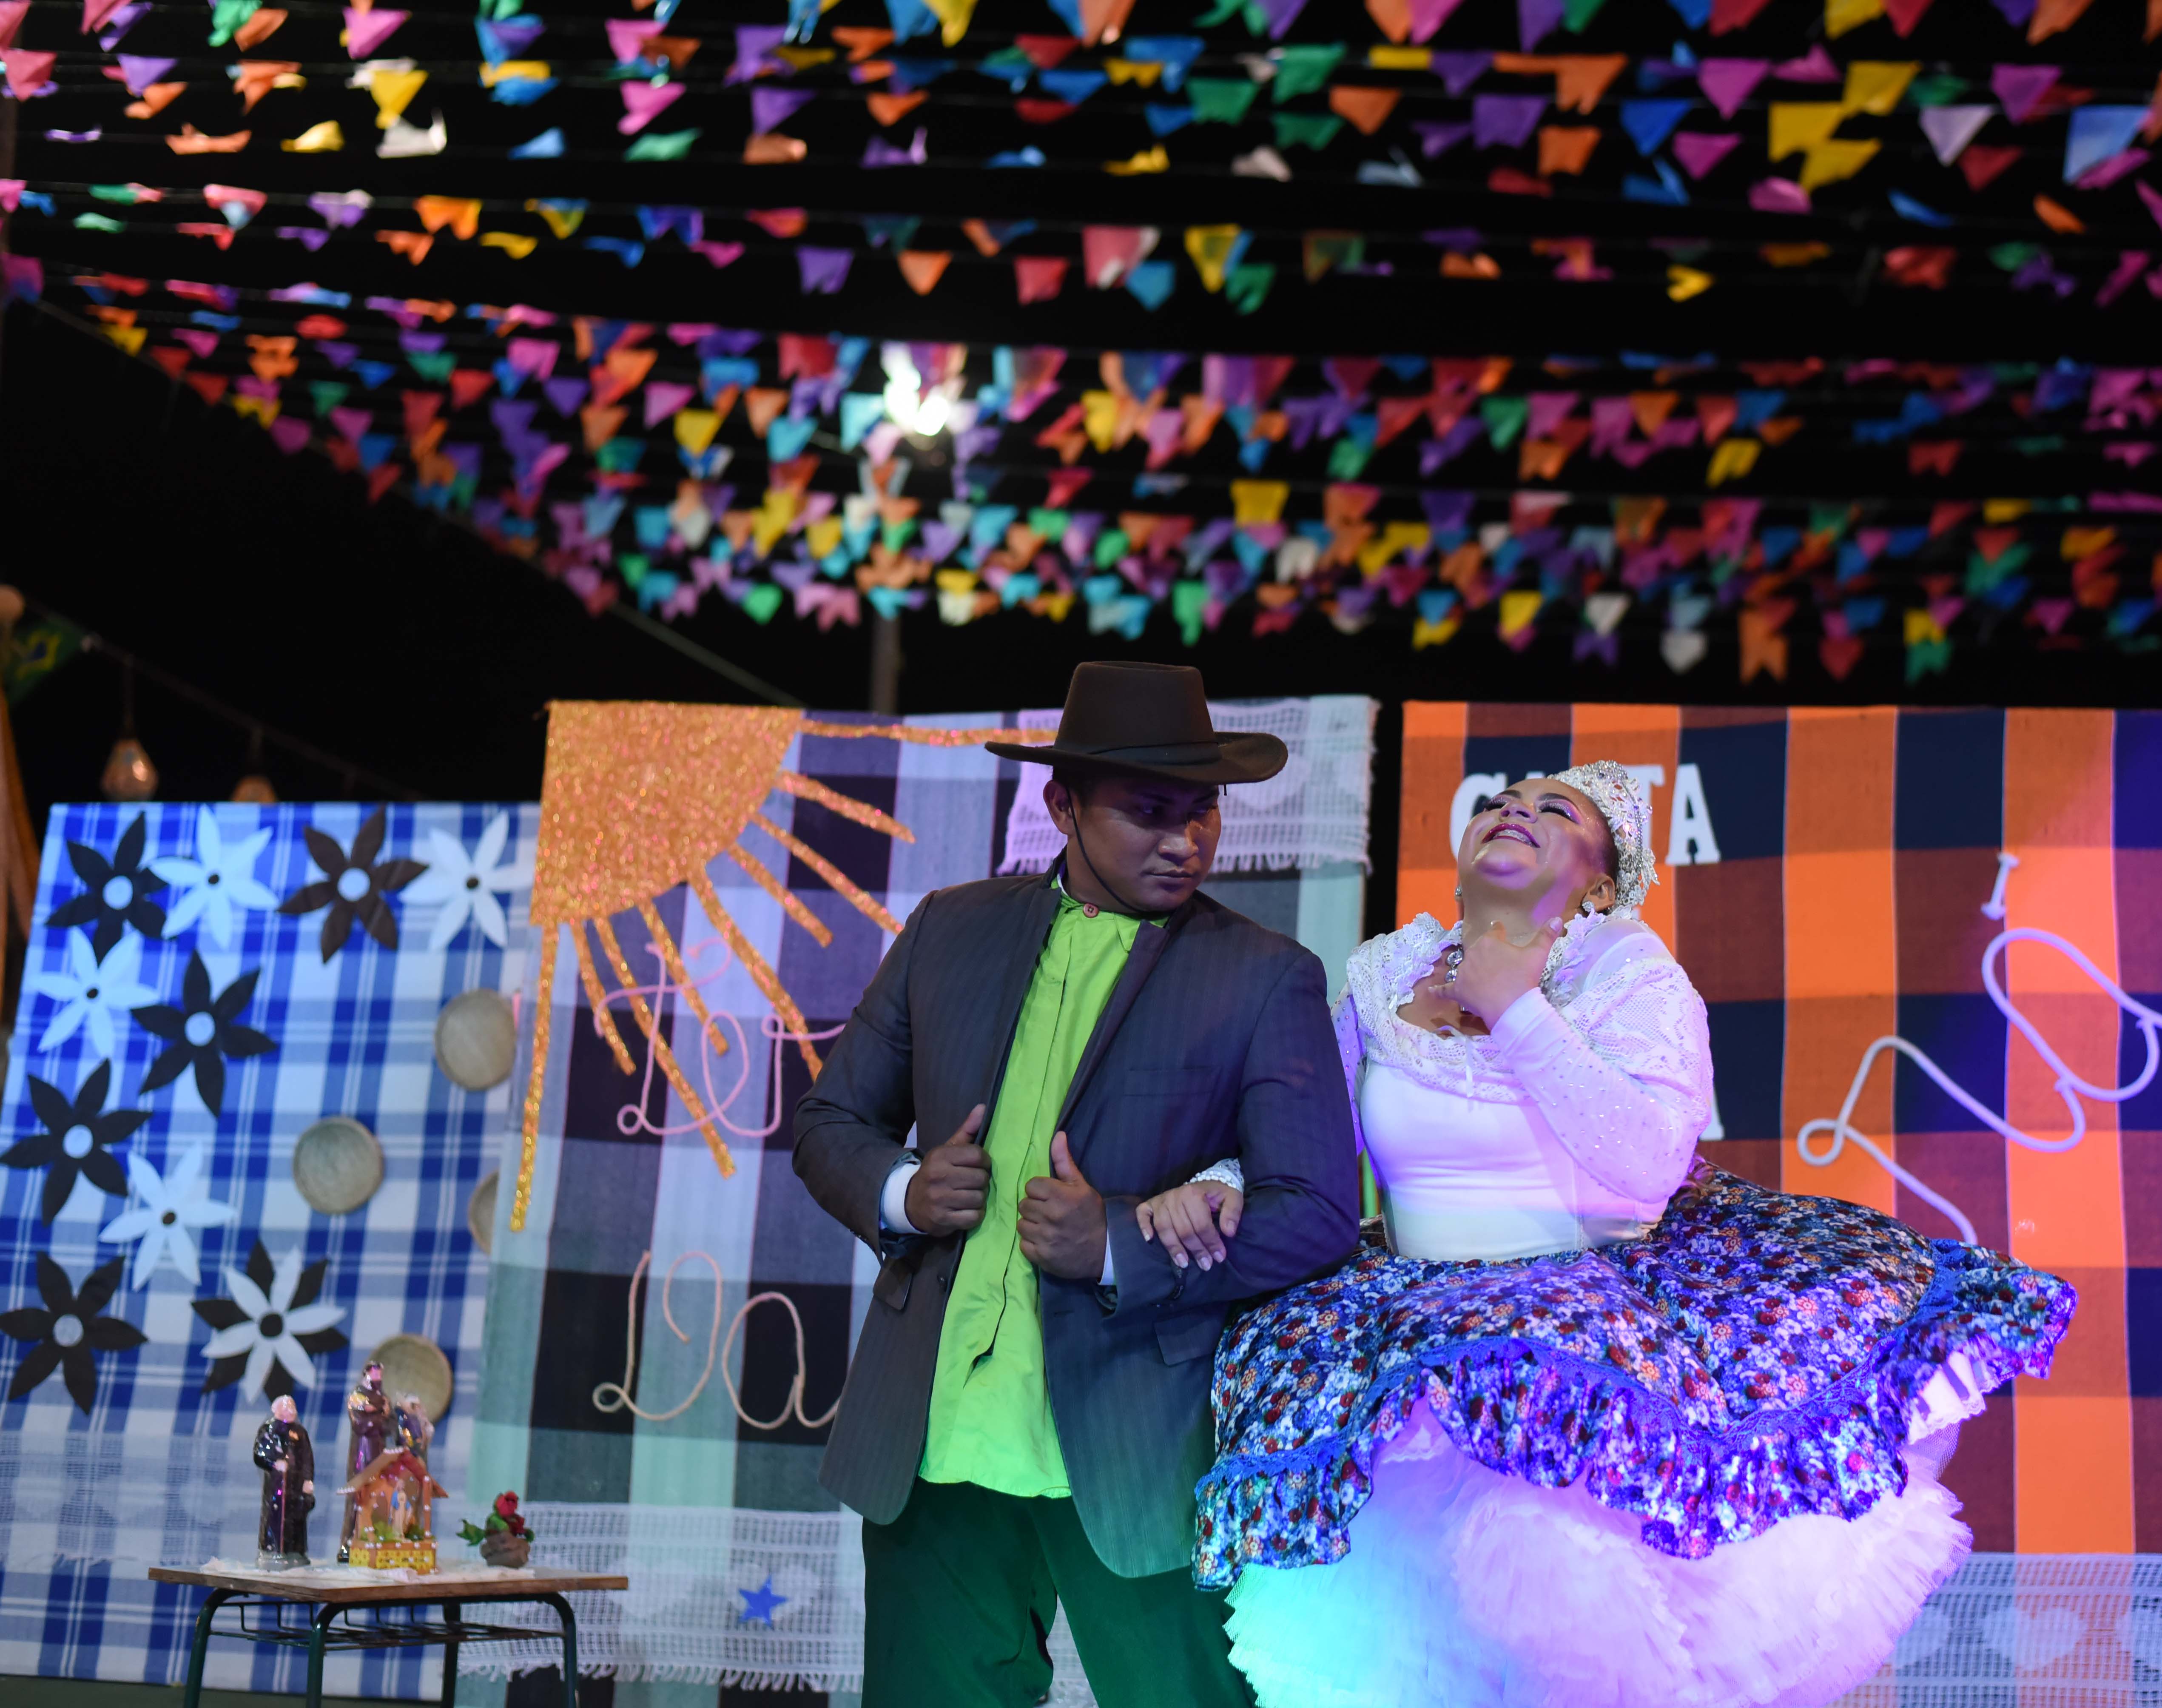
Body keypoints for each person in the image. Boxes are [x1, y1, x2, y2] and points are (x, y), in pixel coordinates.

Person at [1144, 763, 2077, 1708]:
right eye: (1502, 802)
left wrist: (1515, 1007)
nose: (1515, 811)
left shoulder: (1628, 973)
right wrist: (1223, 1184)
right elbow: (1307, 1139)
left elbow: (1647, 1162)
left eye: (1554, 810)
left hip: (1586, 1330)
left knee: (1559, 1612)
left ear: (1599, 884)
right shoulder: (1386, 969)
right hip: (1420, 1337)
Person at [794, 661, 1361, 1708]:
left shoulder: (1262, 974)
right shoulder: (949, 929)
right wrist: (906, 1191)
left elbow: (1319, 1213)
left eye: (1202, 811)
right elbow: (829, 1123)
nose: (1184, 839)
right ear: (1062, 806)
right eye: (1149, 811)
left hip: (1139, 1442)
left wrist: (1116, 1244)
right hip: (933, 1434)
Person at [253, 1395, 316, 1568]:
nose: (291, 1410)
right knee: (276, 1517)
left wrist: (308, 1480)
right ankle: (273, 1550)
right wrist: (274, 1464)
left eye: (292, 1406)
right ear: (277, 1410)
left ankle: (296, 1551)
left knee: (298, 1518)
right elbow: (259, 1455)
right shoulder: (268, 1430)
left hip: (297, 1485)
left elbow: (307, 1459)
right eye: (287, 1407)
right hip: (277, 1486)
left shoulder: (300, 1433)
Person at [338, 1360, 390, 1562]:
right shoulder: (357, 1396)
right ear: (367, 1374)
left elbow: (389, 1426)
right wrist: (379, 1415)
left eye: (380, 1374)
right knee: (359, 1495)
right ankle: (349, 1544)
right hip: (362, 1452)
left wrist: (375, 1414)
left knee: (380, 1495)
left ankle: (376, 1542)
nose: (378, 1377)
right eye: (375, 1373)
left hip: (379, 1452)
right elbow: (360, 1425)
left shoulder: (384, 1398)